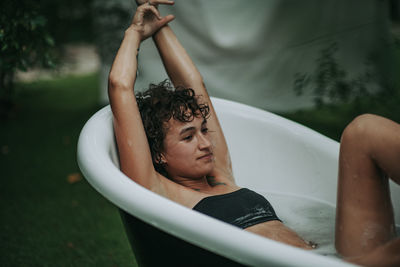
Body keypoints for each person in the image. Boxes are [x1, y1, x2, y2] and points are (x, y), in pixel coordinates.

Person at [108, 1, 400, 265]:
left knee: (364, 130)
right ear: (157, 153)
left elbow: (191, 82)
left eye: (203, 131)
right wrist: (135, 32)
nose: (205, 142)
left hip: (331, 259)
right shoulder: (160, 192)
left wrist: (156, 23)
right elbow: (120, 87)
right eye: (188, 136)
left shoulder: (220, 176)